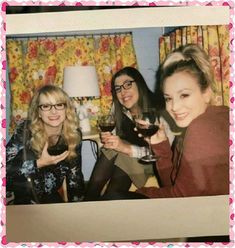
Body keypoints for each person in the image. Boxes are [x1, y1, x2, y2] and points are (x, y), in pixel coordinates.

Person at [136, 44, 229, 198]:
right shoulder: (218, 115)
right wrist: (160, 144)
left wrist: (137, 194)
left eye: (184, 95)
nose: (174, 107)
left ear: (206, 93)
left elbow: (180, 198)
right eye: (168, 98)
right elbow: (174, 184)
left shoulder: (201, 128)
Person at [84, 67, 173, 201]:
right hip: (131, 158)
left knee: (124, 157)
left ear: (139, 83)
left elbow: (165, 154)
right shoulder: (119, 109)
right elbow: (116, 137)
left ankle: (103, 202)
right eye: (118, 89)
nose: (123, 92)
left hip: (153, 162)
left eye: (127, 84)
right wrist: (109, 139)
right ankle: (90, 201)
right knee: (110, 150)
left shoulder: (159, 109)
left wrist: (127, 148)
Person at [6, 85, 85, 204]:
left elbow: (75, 176)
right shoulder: (25, 131)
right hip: (21, 197)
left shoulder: (73, 134)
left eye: (59, 105)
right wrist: (38, 163)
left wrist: (78, 208)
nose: (53, 111)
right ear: (38, 112)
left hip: (50, 196)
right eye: (46, 106)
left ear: (66, 109)